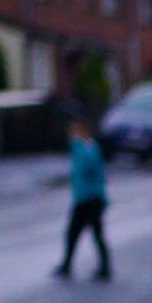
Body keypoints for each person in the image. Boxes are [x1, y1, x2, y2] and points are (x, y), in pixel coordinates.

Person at [56, 118, 110, 280]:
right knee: (75, 233)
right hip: (83, 198)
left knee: (91, 233)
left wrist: (78, 145)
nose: (72, 135)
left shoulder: (88, 148)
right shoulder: (80, 149)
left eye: (75, 131)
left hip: (91, 199)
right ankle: (67, 265)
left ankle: (103, 267)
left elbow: (91, 168)